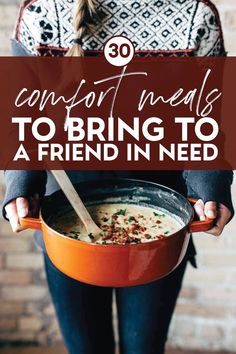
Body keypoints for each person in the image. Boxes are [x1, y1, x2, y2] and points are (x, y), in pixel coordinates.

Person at [3, 1, 234, 353]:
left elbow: (209, 117)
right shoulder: (42, 12)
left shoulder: (195, 15)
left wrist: (210, 188)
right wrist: (21, 187)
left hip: (164, 219)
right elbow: (23, 113)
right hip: (65, 216)